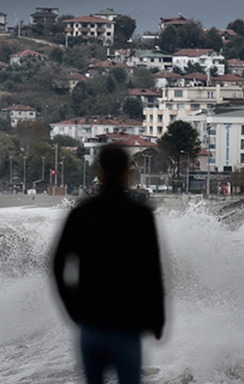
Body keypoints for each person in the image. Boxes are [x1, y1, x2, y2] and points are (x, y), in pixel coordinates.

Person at [52, 145, 165, 384]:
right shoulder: (141, 216)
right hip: (127, 324)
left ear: (99, 171)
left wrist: (73, 308)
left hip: (91, 323)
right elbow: (152, 272)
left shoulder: (81, 214)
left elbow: (57, 264)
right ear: (127, 172)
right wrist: (157, 319)